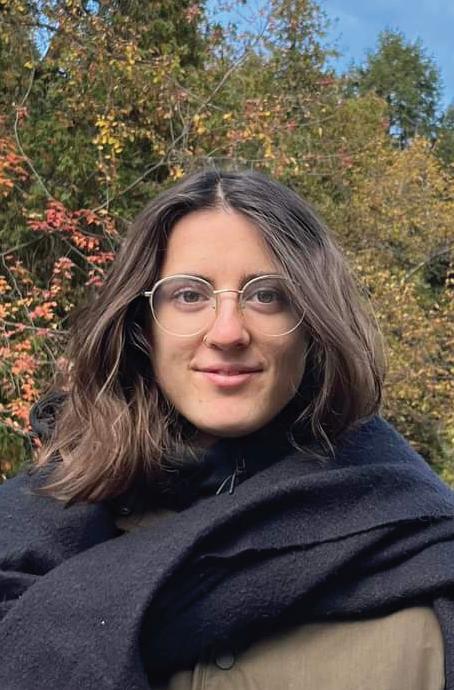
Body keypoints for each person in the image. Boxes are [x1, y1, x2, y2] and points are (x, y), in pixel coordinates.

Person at [0, 168, 453, 690]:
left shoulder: (424, 563)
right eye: (189, 295)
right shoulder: (29, 532)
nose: (228, 332)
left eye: (267, 296)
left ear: (314, 323)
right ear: (141, 325)